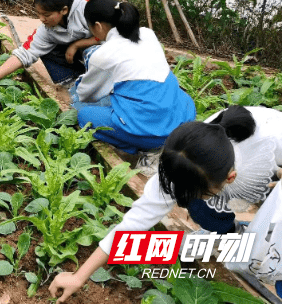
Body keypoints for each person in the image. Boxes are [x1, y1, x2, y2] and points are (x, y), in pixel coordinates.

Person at [49, 105, 282, 303]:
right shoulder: (186, 157)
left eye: (204, 192)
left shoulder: (266, 144)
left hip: (270, 148)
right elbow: (134, 222)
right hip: (229, 162)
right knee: (202, 207)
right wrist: (79, 276)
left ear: (230, 178)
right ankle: (229, 233)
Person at [69, 0, 195, 175]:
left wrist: (78, 88)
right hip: (181, 123)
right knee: (166, 93)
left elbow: (86, 94)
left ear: (97, 26)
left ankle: (147, 150)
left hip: (149, 130)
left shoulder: (104, 54)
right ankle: (163, 146)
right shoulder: (148, 34)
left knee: (84, 114)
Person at [0, 0, 100, 86]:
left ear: (64, 10)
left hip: (104, 50)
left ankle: (105, 85)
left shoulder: (87, 8)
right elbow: (24, 54)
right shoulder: (46, 29)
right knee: (46, 49)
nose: (42, 19)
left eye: (46, 15)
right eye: (39, 14)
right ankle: (74, 81)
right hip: (81, 53)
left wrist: (77, 45)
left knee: (95, 54)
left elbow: (113, 33)